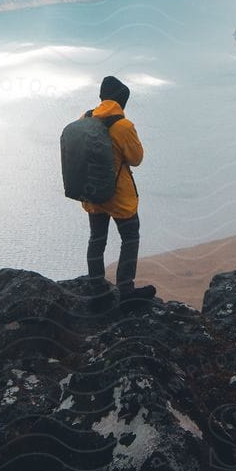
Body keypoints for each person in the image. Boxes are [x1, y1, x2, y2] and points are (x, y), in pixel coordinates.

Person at [81, 75, 155, 304]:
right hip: (119, 196)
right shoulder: (123, 126)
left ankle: (97, 287)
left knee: (97, 239)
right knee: (130, 238)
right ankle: (125, 290)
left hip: (93, 192)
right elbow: (136, 158)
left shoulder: (85, 118)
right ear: (121, 101)